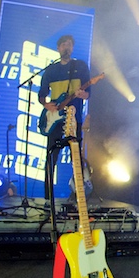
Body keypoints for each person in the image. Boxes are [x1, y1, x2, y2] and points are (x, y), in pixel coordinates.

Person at [38, 34, 90, 200]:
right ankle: (48, 198)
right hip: (55, 119)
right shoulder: (51, 70)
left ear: (72, 48)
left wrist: (83, 94)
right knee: (51, 157)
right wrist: (46, 104)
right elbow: (42, 94)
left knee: (76, 158)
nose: (67, 47)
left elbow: (89, 93)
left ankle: (79, 197)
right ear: (58, 48)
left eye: (69, 44)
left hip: (74, 119)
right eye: (63, 45)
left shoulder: (80, 66)